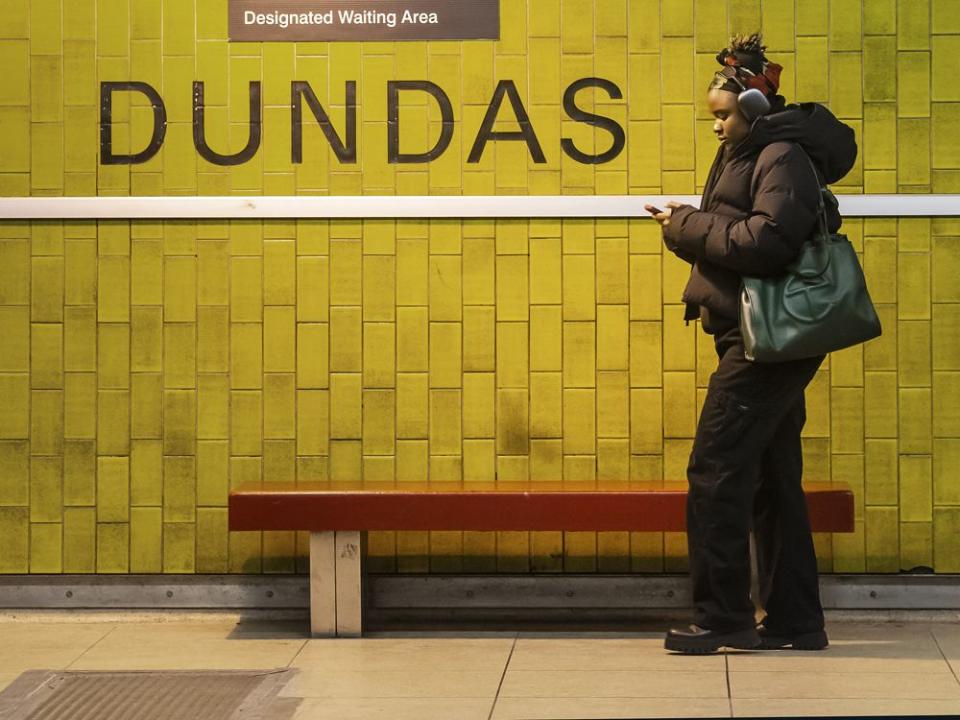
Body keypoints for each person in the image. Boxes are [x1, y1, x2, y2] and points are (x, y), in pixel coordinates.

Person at [645, 33, 857, 654]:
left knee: (715, 470)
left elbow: (766, 243)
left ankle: (722, 618)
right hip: (757, 333)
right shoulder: (755, 152)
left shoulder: (780, 154)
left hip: (768, 341)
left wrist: (682, 225)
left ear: (754, 109)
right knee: (770, 475)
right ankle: (795, 620)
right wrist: (694, 219)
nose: (715, 127)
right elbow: (748, 228)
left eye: (721, 115)